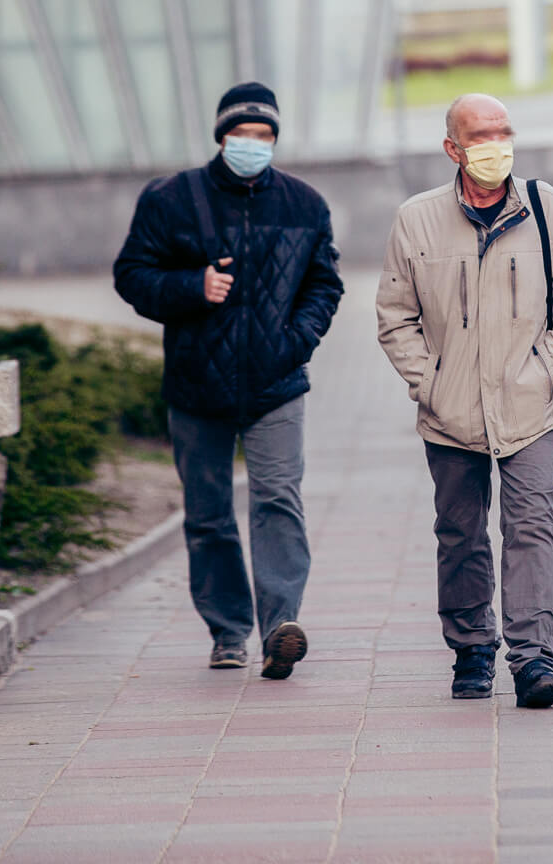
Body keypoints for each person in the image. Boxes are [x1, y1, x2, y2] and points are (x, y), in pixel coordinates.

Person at [375, 93, 553, 708]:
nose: (495, 146)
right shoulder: (416, 220)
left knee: (531, 526)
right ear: (452, 148)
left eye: (503, 132)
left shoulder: (547, 208)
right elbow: (395, 317)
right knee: (460, 533)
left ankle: (534, 660)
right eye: (480, 136)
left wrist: (545, 368)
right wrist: (429, 382)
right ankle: (472, 649)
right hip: (448, 415)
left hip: (531, 408)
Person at [114, 81, 342, 680]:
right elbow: (132, 274)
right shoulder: (171, 199)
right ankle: (226, 630)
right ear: (221, 137)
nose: (253, 145)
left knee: (277, 500)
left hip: (277, 384)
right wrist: (193, 287)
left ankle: (279, 628)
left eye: (265, 136)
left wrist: (295, 341)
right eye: (243, 135)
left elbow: (325, 285)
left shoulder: (303, 205)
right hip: (197, 385)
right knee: (209, 513)